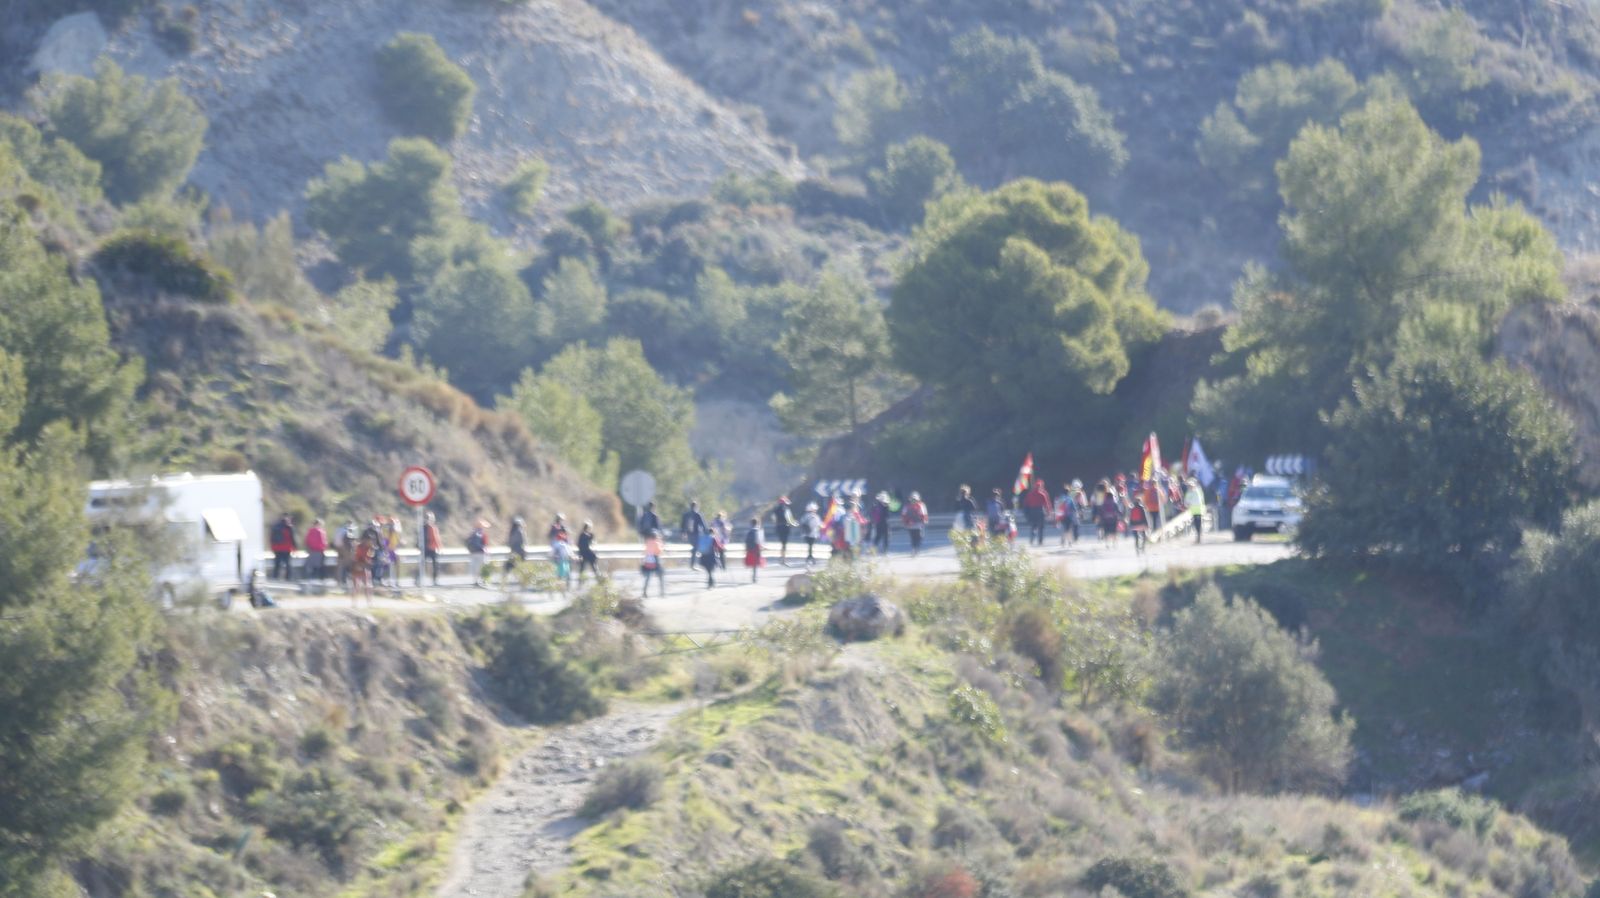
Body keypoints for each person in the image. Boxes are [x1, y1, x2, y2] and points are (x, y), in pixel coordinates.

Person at [1022, 479, 1051, 546]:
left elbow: (1026, 503)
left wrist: (1026, 513)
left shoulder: (1030, 494)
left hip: (1032, 512)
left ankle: (1032, 539)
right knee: (1041, 527)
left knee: (1033, 527)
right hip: (1040, 511)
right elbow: (1047, 504)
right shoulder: (1042, 494)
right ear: (1040, 486)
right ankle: (1040, 541)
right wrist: (1049, 512)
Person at [269, 514, 296, 580]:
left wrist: (272, 547)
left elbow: (271, 538)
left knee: (277, 564)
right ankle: (288, 578)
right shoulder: (289, 527)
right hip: (286, 548)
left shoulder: (276, 526)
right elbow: (292, 538)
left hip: (277, 548)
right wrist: (295, 547)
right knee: (288, 564)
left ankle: (275, 577)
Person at [901, 491, 929, 556]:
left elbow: (903, 515)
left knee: (913, 538)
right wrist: (925, 521)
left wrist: (905, 523)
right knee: (919, 538)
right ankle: (916, 549)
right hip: (919, 525)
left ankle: (914, 549)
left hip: (910, 525)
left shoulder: (907, 506)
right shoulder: (921, 505)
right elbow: (924, 514)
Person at [681, 501, 707, 569]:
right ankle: (694, 564)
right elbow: (703, 525)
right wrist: (706, 533)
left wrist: (683, 533)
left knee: (695, 548)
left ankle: (694, 564)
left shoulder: (686, 514)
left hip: (689, 534)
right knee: (696, 548)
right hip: (697, 534)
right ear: (696, 506)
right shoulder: (698, 514)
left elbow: (682, 524)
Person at [351, 534, 375, 605]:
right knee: (357, 586)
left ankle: (369, 602)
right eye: (370, 541)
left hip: (364, 567)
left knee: (368, 586)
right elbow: (355, 557)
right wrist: (358, 565)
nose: (371, 542)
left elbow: (369, 558)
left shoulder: (370, 548)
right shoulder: (359, 547)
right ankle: (354, 602)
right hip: (357, 567)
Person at [640, 529, 666, 597]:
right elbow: (659, 552)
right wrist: (662, 545)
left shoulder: (648, 542)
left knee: (648, 578)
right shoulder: (656, 543)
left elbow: (644, 552)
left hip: (648, 562)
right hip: (656, 562)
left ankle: (644, 592)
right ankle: (662, 593)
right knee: (661, 577)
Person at [770, 497, 795, 565]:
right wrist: (794, 524)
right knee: (784, 544)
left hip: (778, 527)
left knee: (782, 543)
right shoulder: (787, 510)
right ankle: (783, 559)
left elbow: (773, 519)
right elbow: (790, 519)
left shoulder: (775, 510)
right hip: (785, 527)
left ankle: (782, 557)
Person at [466, 520, 489, 588]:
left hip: (473, 553)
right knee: (483, 567)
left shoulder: (472, 533)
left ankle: (476, 581)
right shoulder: (482, 533)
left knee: (475, 567)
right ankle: (483, 580)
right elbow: (485, 544)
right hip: (481, 553)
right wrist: (484, 549)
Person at [1184, 477, 1206, 544]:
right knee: (1196, 524)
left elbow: (1202, 499)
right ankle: (1198, 537)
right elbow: (1186, 502)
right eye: (1190, 485)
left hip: (1199, 510)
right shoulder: (1189, 493)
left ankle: (1199, 537)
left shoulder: (1198, 490)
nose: (1190, 486)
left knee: (1199, 524)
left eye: (1191, 485)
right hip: (1193, 511)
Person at [334, 522, 356, 588]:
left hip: (338, 549)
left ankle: (339, 581)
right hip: (345, 550)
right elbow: (348, 542)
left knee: (340, 566)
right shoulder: (347, 532)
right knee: (346, 566)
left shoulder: (339, 530)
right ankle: (344, 581)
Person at [423, 512, 442, 585]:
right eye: (428, 518)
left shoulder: (434, 527)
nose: (429, 520)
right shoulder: (424, 527)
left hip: (433, 548)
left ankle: (435, 580)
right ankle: (418, 579)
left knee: (435, 565)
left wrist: (439, 547)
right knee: (423, 565)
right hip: (426, 548)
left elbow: (437, 538)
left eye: (431, 518)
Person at [743, 517, 764, 582]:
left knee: (752, 563)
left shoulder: (749, 532)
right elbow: (761, 541)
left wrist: (746, 549)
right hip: (757, 549)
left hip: (750, 549)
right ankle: (754, 576)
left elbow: (746, 541)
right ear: (757, 523)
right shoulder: (759, 531)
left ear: (751, 523)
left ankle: (754, 576)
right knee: (755, 563)